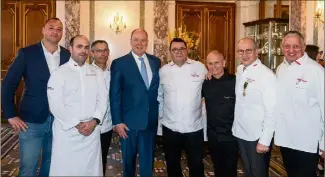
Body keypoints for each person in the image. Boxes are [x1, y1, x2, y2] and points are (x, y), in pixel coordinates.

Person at [1, 18, 70, 176]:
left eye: (59, 29)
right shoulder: (27, 53)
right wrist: (10, 115)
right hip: (31, 120)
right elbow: (8, 85)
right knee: (28, 167)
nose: (55, 31)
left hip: (59, 121)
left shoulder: (67, 55)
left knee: (51, 164)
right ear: (43, 30)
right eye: (51, 28)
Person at [47, 35, 107, 176]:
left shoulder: (96, 73)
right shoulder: (59, 73)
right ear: (70, 49)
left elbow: (103, 100)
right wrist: (77, 124)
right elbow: (55, 105)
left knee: (90, 170)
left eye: (86, 47)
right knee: (66, 170)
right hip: (67, 132)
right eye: (79, 46)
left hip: (91, 132)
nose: (83, 51)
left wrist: (95, 121)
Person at [109, 29, 161, 177]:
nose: (140, 43)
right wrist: (117, 121)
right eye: (136, 40)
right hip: (128, 124)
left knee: (147, 162)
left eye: (143, 40)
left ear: (147, 42)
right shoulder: (119, 63)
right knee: (128, 163)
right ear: (130, 41)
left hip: (150, 121)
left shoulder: (155, 61)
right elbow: (114, 95)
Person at [274, 31, 324, 177]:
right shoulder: (280, 68)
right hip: (285, 139)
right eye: (287, 46)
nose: (291, 50)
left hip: (306, 141)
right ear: (282, 47)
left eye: (295, 46)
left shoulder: (316, 71)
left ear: (303, 47)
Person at [158, 37, 207, 177]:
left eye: (181, 48)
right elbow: (159, 96)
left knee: (196, 165)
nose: (178, 52)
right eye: (174, 49)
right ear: (170, 52)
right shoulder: (163, 71)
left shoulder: (200, 67)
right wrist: (162, 116)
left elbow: (210, 87)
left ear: (187, 50)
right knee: (172, 165)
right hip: (170, 128)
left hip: (194, 128)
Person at [232, 37, 276, 177]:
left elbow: (272, 111)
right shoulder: (240, 70)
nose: (244, 55)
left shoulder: (266, 75)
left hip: (257, 135)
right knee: (248, 171)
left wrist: (265, 140)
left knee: (258, 173)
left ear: (257, 51)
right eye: (240, 51)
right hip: (241, 131)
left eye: (248, 51)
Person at [202, 50, 238, 177]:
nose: (213, 66)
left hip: (231, 135)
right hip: (213, 135)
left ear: (224, 62)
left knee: (230, 169)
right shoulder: (206, 83)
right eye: (210, 64)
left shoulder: (235, 81)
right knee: (217, 168)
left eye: (216, 62)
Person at [90, 40, 113, 175]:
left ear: (108, 53)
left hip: (107, 126)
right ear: (92, 53)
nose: (102, 54)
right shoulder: (86, 72)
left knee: (103, 158)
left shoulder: (113, 73)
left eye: (105, 50)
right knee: (89, 159)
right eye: (98, 50)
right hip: (91, 125)